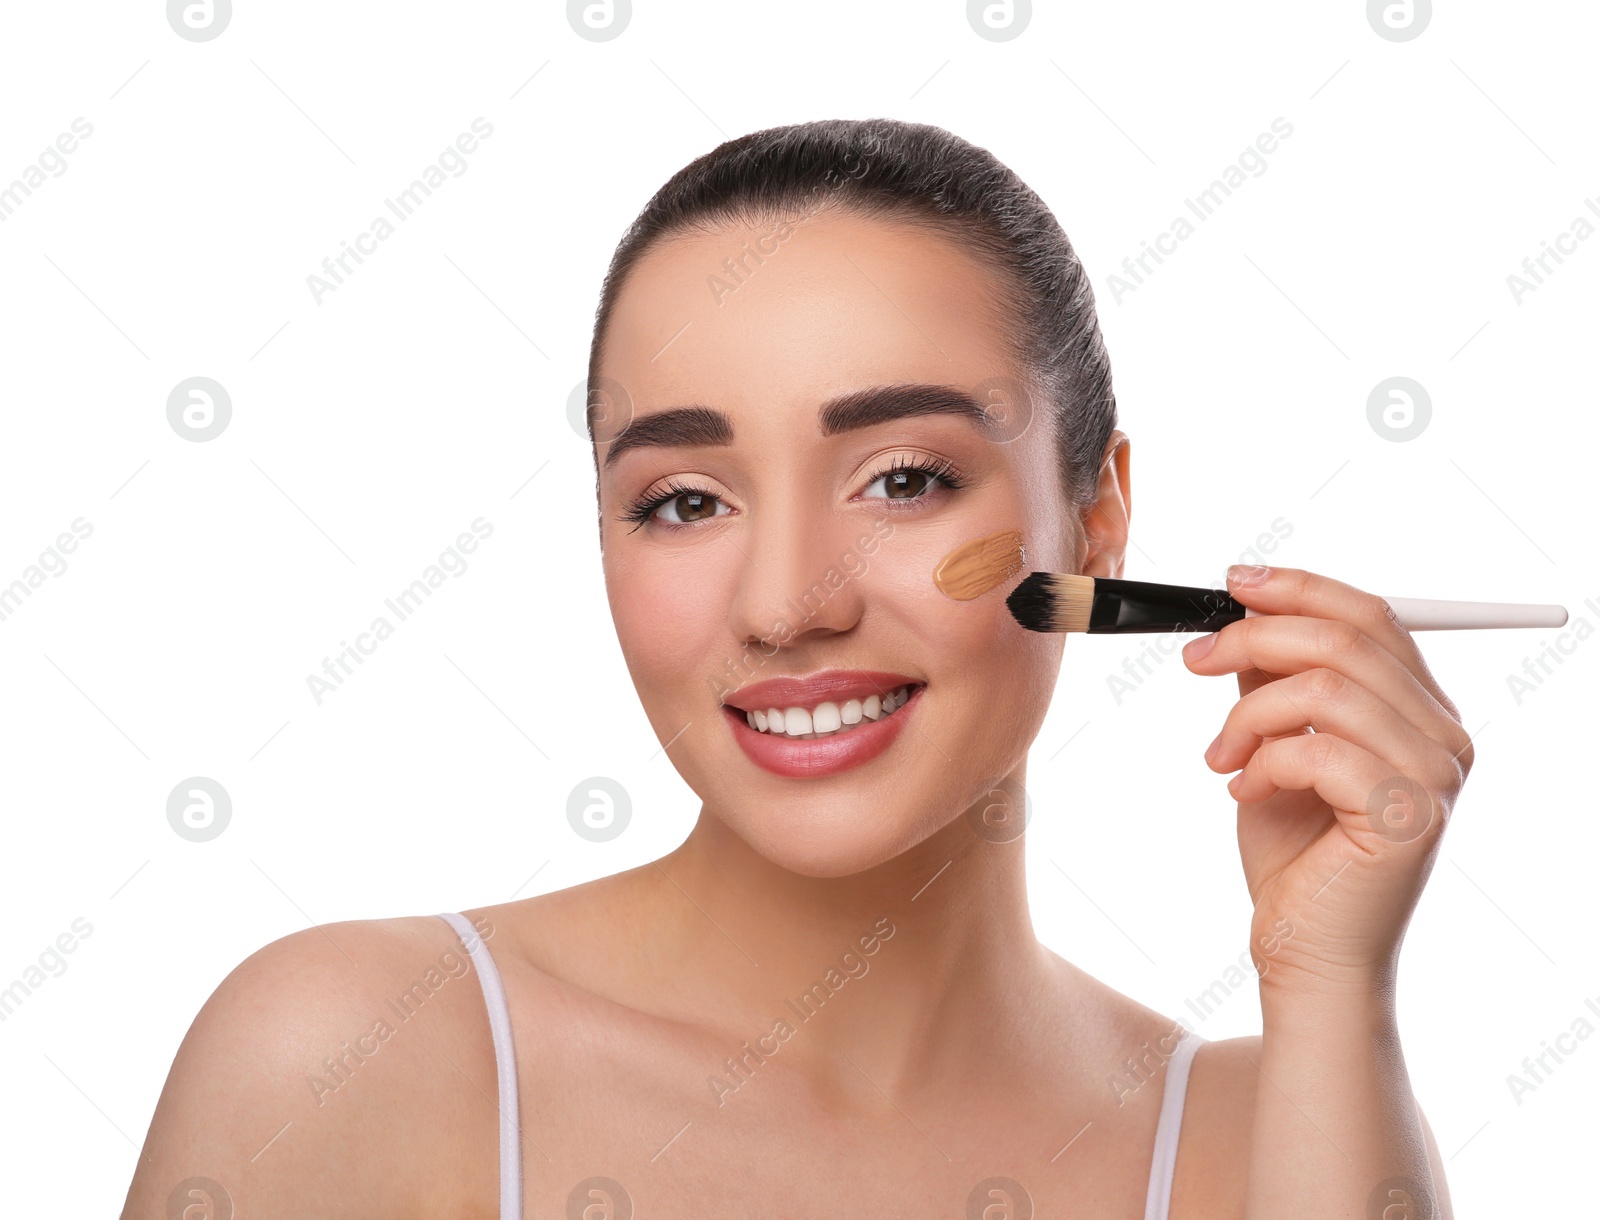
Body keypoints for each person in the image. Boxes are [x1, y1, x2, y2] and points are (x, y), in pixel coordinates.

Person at [123, 118, 1464, 1218]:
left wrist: (1333, 989)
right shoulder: (355, 1057)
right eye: (684, 500)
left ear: (1097, 520)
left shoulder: (1260, 1139)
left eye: (903, 478)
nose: (782, 606)